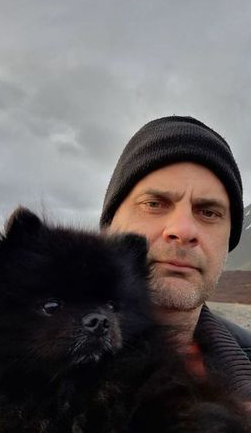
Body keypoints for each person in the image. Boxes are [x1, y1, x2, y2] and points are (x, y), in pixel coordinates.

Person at [100, 116, 251, 399]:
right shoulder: (7, 360)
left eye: (208, 212)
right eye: (154, 204)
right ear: (108, 226)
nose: (183, 230)